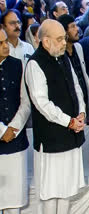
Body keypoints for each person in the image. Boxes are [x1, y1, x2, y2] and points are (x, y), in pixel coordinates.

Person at [25, 19, 86, 214]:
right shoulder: (35, 64)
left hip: (70, 136)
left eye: (64, 38)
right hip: (51, 140)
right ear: (45, 41)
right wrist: (69, 121)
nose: (63, 43)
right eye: (59, 39)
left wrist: (82, 113)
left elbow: (77, 88)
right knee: (51, 194)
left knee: (67, 191)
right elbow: (42, 103)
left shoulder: (63, 58)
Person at [0, 27, 31, 214]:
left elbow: (26, 102)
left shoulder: (18, 65)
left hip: (16, 141)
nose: (6, 46)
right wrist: (2, 131)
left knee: (14, 203)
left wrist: (14, 127)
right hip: (4, 135)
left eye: (6, 41)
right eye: (1, 43)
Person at [58, 14, 89, 124]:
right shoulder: (59, 54)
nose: (76, 29)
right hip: (71, 106)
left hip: (85, 100)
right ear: (64, 32)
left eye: (75, 26)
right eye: (72, 27)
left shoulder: (78, 47)